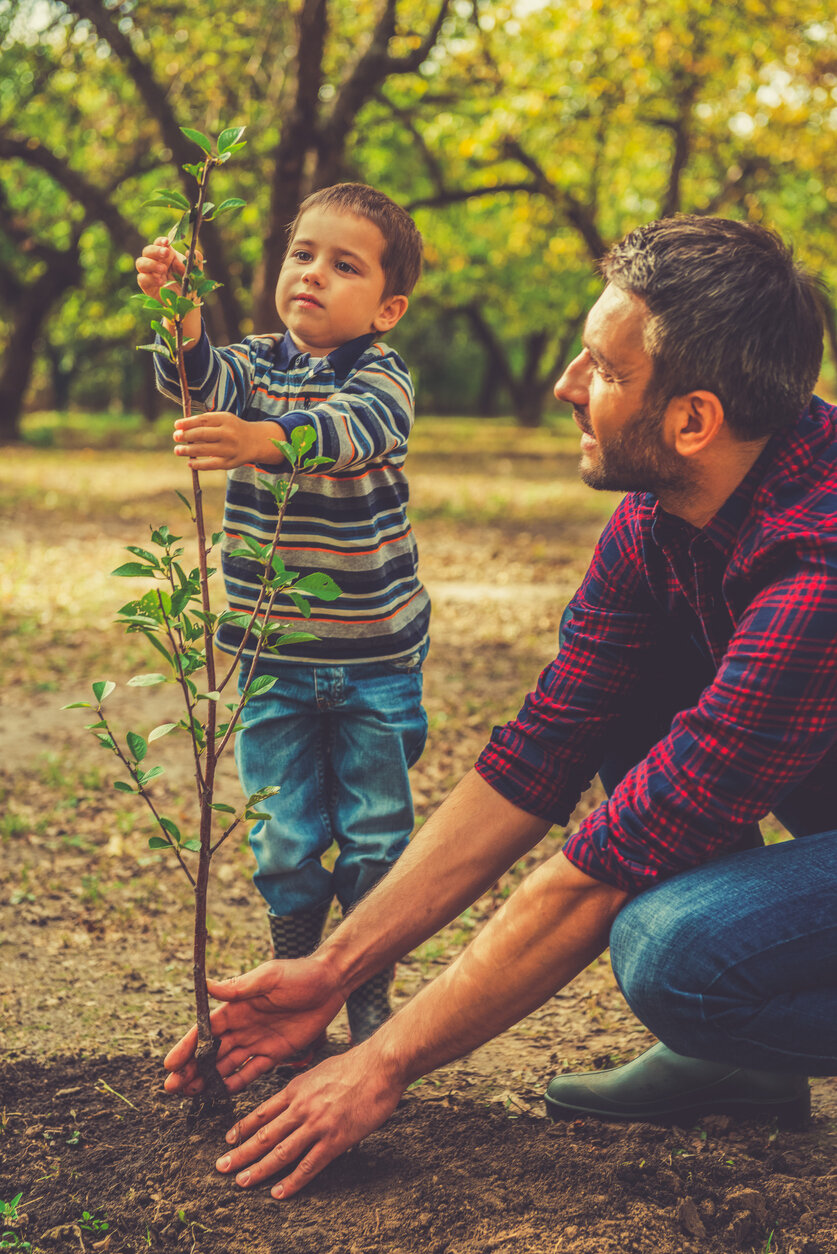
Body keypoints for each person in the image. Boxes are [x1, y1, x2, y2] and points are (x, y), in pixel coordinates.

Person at [163, 215, 837, 1201]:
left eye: (603, 370)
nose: (564, 384)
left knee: (671, 947)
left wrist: (382, 1061)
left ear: (694, 419)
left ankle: (725, 1019)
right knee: (628, 708)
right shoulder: (662, 519)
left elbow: (609, 867)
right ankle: (748, 1059)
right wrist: (334, 970)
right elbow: (542, 751)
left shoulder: (818, 563)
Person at [135, 183, 430, 1043]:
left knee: (376, 831)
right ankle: (297, 965)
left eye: (345, 266)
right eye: (303, 254)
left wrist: (263, 440)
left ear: (387, 307)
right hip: (269, 655)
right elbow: (199, 380)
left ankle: (366, 978)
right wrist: (181, 325)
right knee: (284, 834)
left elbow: (356, 429)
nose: (313, 274)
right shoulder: (254, 364)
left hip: (376, 657)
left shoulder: (382, 375)